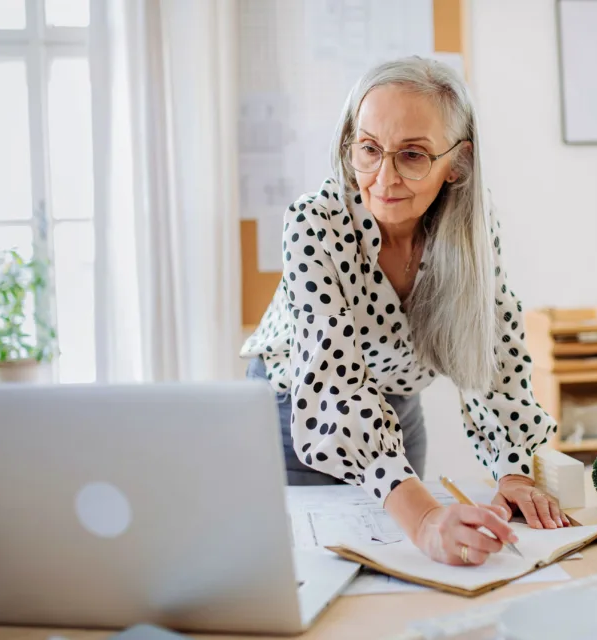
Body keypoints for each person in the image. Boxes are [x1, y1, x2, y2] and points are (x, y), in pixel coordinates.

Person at [242, 56, 567, 567]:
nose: (383, 178)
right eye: (369, 149)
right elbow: (332, 388)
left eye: (413, 155)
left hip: (396, 412)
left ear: (457, 162)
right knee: (301, 572)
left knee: (395, 569)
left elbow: (495, 354)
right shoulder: (314, 225)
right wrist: (423, 518)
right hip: (293, 414)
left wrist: (514, 471)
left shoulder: (471, 234)